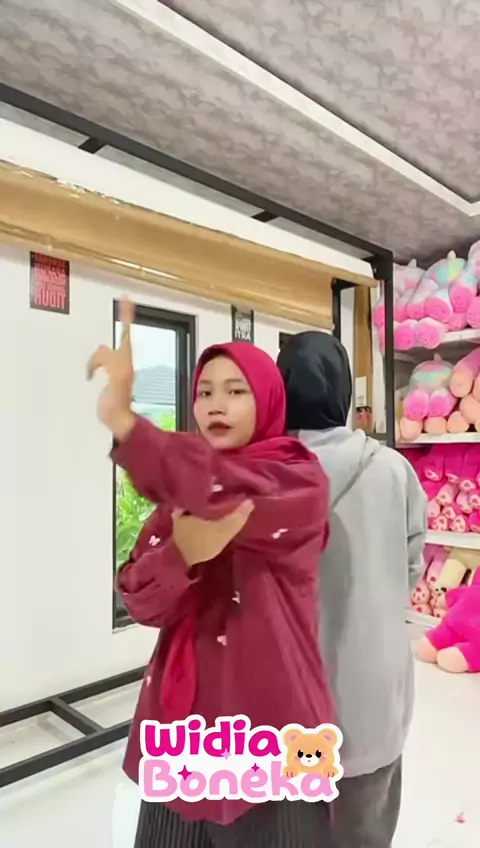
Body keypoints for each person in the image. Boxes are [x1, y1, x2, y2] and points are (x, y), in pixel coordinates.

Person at [88, 302, 333, 847]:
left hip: (274, 721)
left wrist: (128, 426)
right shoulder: (180, 490)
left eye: (236, 391)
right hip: (183, 722)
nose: (215, 405)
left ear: (268, 399)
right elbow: (138, 597)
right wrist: (181, 555)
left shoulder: (298, 480)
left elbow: (223, 491)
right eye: (204, 392)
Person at [277, 331, 427, 848]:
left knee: (291, 825)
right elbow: (411, 567)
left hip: (288, 695)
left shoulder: (265, 470)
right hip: (374, 691)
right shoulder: (392, 469)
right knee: (366, 825)